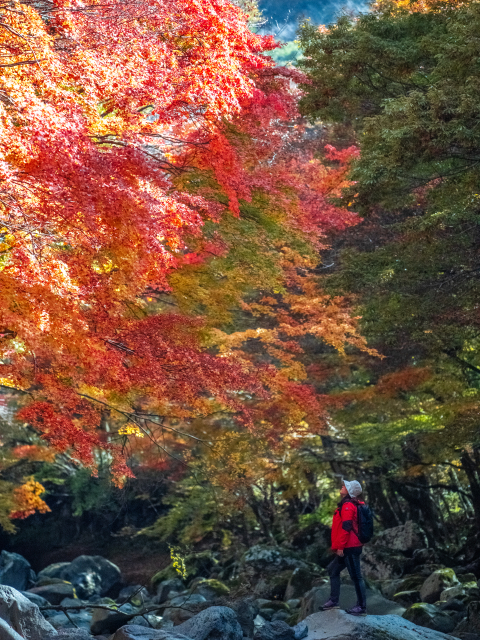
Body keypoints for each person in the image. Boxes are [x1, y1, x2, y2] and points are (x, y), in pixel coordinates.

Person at [322, 479, 367, 616]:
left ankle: (361, 606)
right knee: (332, 570)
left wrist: (340, 547)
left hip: (350, 547)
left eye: (345, 486)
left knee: (356, 577)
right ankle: (333, 601)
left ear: (349, 491)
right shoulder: (347, 504)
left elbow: (346, 527)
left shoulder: (348, 505)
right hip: (346, 547)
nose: (342, 486)